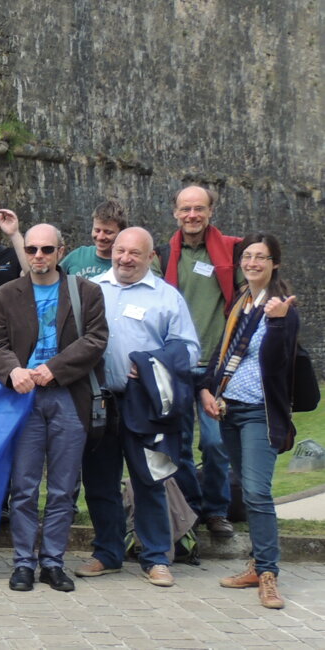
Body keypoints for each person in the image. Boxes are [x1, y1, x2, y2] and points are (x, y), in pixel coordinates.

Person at [0, 224, 108, 593]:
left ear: (60, 251)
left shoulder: (86, 292)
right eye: (33, 249)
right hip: (24, 398)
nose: (38, 256)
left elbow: (96, 340)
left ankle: (53, 562)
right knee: (23, 487)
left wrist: (54, 368)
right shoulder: (6, 294)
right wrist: (13, 370)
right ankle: (23, 562)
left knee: (63, 487)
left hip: (69, 395)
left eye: (46, 250)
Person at [76, 227, 200, 589]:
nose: (125, 258)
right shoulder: (91, 289)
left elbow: (189, 350)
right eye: (120, 251)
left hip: (144, 402)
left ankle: (156, 556)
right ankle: (107, 553)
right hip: (100, 399)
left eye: (134, 253)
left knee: (150, 478)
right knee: (99, 481)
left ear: (150, 258)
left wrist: (151, 362)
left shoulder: (166, 297)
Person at [199, 233, 298, 610]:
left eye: (261, 257)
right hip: (230, 409)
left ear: (275, 263)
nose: (253, 262)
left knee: (257, 493)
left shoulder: (281, 307)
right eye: (248, 256)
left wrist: (274, 324)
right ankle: (257, 566)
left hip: (260, 412)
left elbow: (277, 365)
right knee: (244, 485)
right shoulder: (240, 302)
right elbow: (221, 356)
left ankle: (269, 573)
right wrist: (208, 389)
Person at [159, 185, 241, 538]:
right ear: (175, 213)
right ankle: (190, 510)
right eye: (185, 209)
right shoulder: (163, 255)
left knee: (214, 442)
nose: (192, 215)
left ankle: (217, 510)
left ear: (210, 212)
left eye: (199, 209)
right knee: (178, 444)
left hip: (215, 367)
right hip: (177, 365)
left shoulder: (230, 254)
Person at [59, 199, 127, 279]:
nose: (100, 237)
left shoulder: (126, 264)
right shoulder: (77, 256)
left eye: (108, 232)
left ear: (122, 232)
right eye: (97, 230)